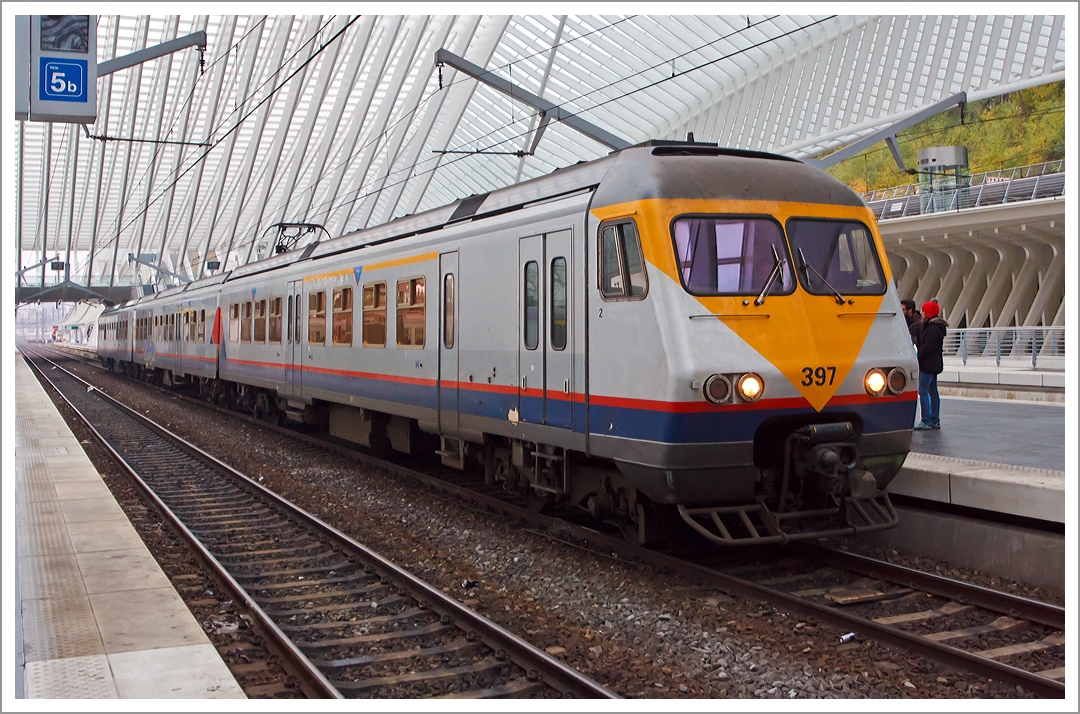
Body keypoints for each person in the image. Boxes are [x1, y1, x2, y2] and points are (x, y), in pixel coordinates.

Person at [915, 300, 947, 430]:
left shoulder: (932, 329)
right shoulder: (937, 328)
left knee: (923, 390)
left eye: (923, 311)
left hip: (928, 364)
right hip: (934, 364)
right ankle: (934, 419)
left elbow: (927, 347)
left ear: (928, 313)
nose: (921, 313)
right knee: (933, 391)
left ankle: (926, 420)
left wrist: (918, 358)